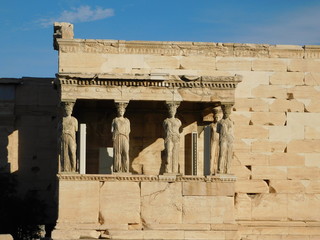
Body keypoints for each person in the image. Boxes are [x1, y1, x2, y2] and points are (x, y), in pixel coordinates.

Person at [111, 102, 130, 173]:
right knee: (117, 153)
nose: (121, 112)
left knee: (125, 152)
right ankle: (117, 169)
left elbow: (128, 130)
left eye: (122, 111)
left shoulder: (127, 120)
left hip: (125, 137)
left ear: (124, 111)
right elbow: (112, 130)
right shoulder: (115, 120)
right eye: (120, 111)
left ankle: (126, 169)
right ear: (118, 111)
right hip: (117, 137)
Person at [163, 102, 181, 173]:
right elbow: (165, 129)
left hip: (176, 138)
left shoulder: (178, 121)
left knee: (175, 154)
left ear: (175, 112)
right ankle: (167, 170)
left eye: (173, 111)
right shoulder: (166, 121)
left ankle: (174, 171)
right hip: (169, 137)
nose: (172, 112)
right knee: (168, 154)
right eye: (170, 111)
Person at [60, 102, 78, 172]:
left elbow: (75, 130)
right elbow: (59, 129)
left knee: (72, 152)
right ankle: (65, 169)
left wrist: (67, 131)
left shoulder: (74, 120)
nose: (68, 112)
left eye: (69, 110)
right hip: (64, 137)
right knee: (64, 154)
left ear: (71, 111)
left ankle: (73, 168)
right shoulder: (62, 120)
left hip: (71, 138)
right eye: (67, 110)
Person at [217, 104, 234, 174]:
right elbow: (218, 131)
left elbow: (232, 132)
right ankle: (220, 169)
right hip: (223, 139)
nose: (227, 114)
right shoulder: (220, 122)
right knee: (222, 154)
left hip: (230, 140)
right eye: (225, 113)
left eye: (228, 113)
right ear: (223, 113)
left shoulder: (231, 122)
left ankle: (228, 170)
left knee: (229, 155)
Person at [210, 107, 220, 175]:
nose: (216, 118)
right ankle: (210, 170)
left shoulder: (220, 125)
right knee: (212, 155)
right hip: (213, 141)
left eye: (217, 117)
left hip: (219, 141)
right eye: (215, 117)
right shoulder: (211, 125)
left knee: (218, 155)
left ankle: (216, 170)